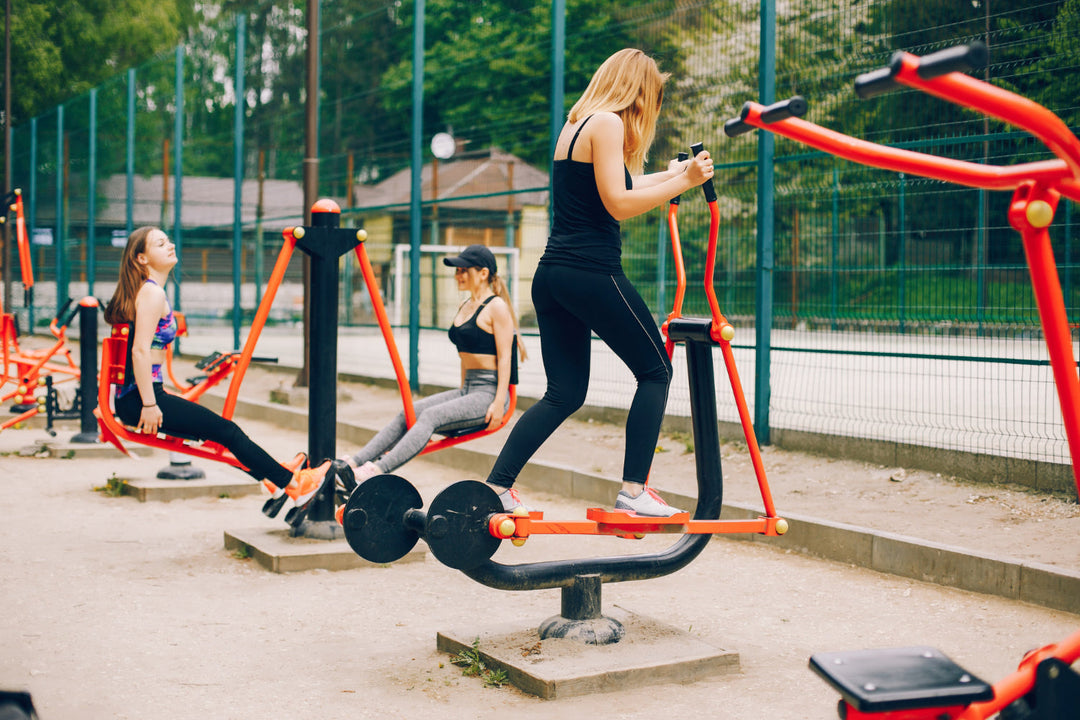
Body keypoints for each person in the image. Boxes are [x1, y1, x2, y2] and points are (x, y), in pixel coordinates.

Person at [484, 48, 714, 517]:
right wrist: (685, 182)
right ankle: (633, 491)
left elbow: (619, 186)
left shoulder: (576, 125)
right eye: (652, 98)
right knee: (655, 371)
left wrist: (668, 176)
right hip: (591, 271)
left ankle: (497, 487)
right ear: (637, 91)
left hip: (553, 275)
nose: (649, 110)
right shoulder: (608, 123)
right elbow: (618, 204)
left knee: (564, 393)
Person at [103, 226, 330, 516]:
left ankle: (272, 477)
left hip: (139, 396)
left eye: (168, 240)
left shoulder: (148, 292)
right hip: (141, 400)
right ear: (141, 259)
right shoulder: (151, 293)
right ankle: (295, 485)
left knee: (217, 435)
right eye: (160, 244)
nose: (170, 245)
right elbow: (139, 351)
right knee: (228, 431)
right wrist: (149, 404)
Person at [341, 244, 525, 481]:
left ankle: (374, 471)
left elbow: (505, 357)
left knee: (430, 417)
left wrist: (499, 403)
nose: (458, 275)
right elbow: (463, 355)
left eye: (463, 270)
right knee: (410, 412)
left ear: (483, 273)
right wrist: (461, 394)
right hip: (468, 389)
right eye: (457, 271)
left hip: (489, 393)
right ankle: (355, 462)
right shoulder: (465, 305)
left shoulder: (496, 307)